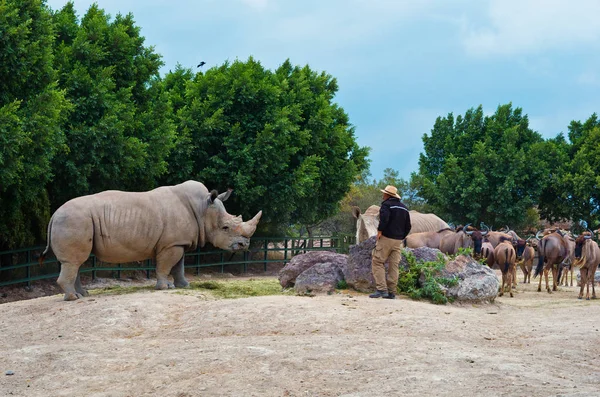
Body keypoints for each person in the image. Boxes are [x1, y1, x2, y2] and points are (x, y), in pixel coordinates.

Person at [369, 185, 412, 299]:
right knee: (394, 265)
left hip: (386, 238)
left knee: (377, 262)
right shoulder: (404, 208)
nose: (383, 195)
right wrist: (401, 236)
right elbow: (408, 226)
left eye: (384, 193)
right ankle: (392, 292)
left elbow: (384, 219)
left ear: (387, 195)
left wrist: (379, 231)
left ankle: (381, 289)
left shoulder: (386, 205)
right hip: (398, 241)